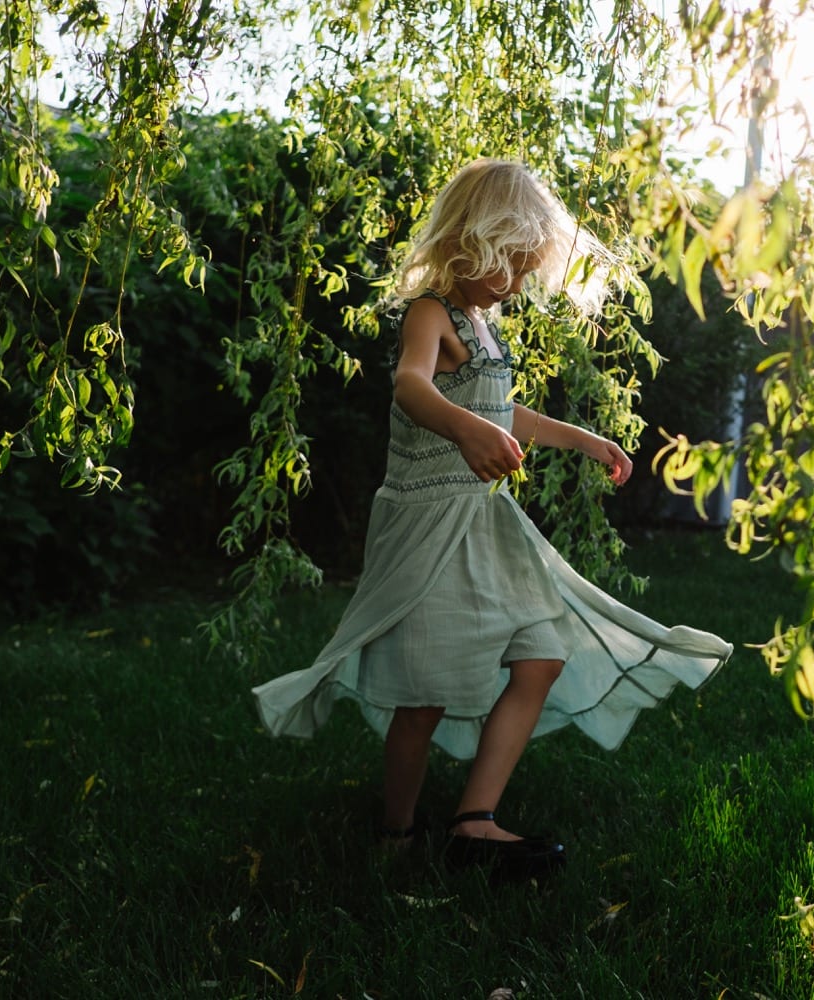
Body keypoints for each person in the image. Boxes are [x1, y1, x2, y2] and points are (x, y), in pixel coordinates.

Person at [251, 158, 732, 881]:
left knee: (541, 654)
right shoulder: (432, 313)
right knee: (424, 696)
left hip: (484, 523)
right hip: (426, 525)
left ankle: (475, 819)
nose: (510, 280)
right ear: (466, 240)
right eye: (502, 261)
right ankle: (395, 834)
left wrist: (582, 438)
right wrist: (464, 431)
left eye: (522, 267)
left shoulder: (484, 323)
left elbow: (502, 411)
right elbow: (411, 386)